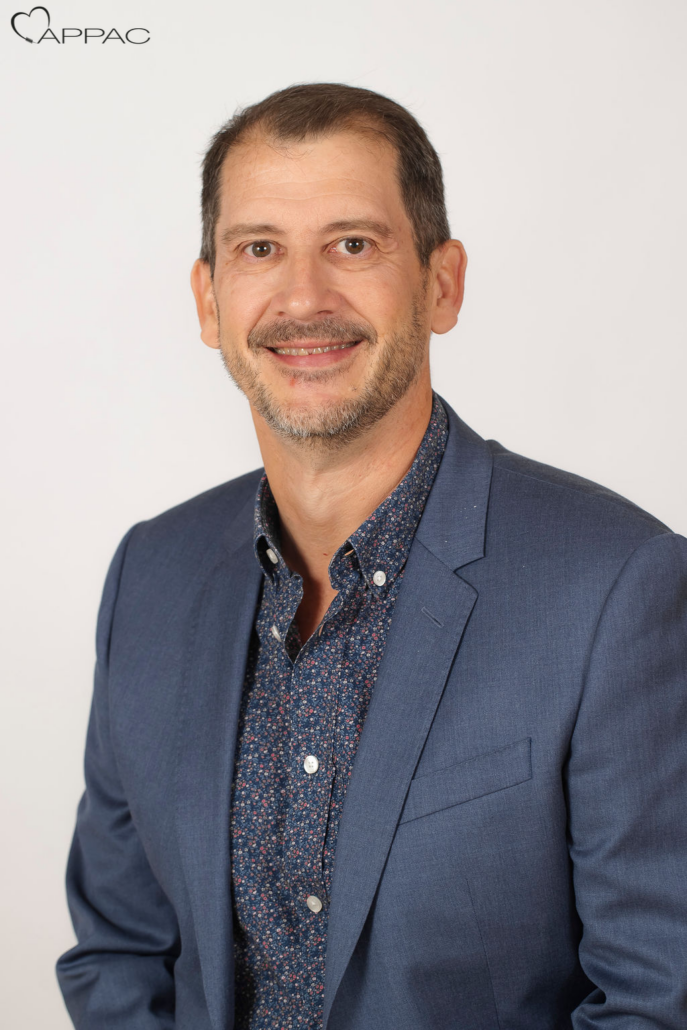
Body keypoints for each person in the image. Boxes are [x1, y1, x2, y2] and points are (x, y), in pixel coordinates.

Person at [56, 83, 687, 1030]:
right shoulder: (150, 575)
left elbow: (657, 998)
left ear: (441, 284)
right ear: (209, 299)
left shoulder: (615, 587)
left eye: (352, 244)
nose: (303, 298)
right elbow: (119, 952)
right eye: (259, 249)